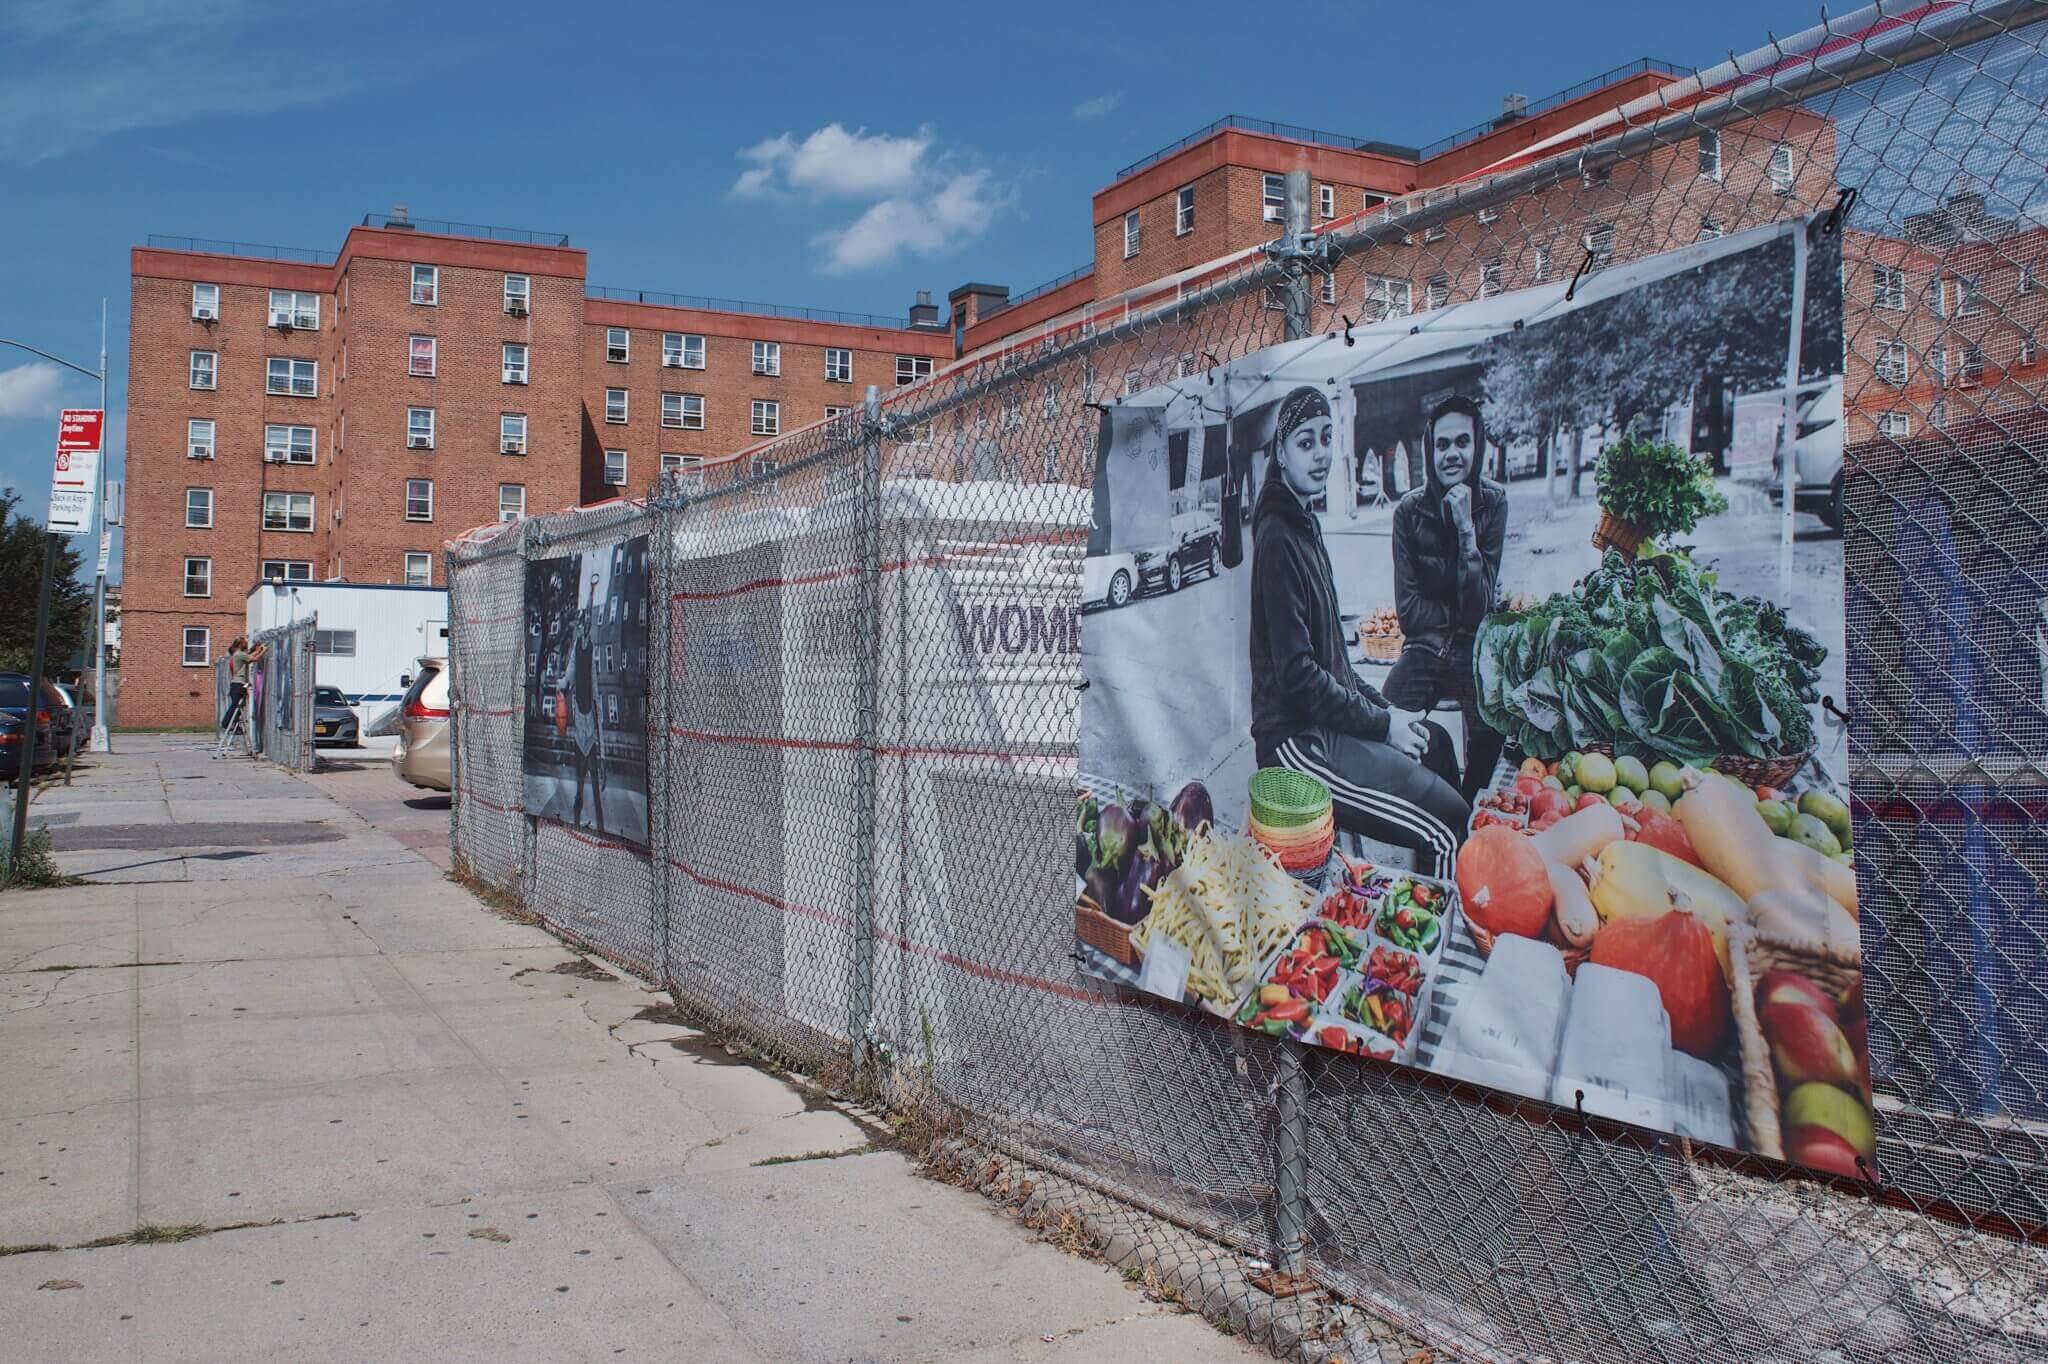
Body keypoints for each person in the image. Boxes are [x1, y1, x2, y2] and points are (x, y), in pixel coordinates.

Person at [1250, 386, 1469, 878]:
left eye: (1327, 437)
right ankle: (1431, 944)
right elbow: (1300, 679)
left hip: (1328, 724)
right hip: (1295, 744)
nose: (1321, 452)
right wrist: (1381, 726)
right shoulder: (1277, 538)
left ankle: (1421, 906)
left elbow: (1338, 668)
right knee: (1447, 827)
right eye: (1305, 443)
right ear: (1280, 455)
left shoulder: (1305, 523)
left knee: (1434, 742)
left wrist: (1389, 713)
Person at [1385, 395, 1510, 802]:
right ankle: (1445, 803)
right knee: (1384, 720)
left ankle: (1474, 812)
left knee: (1494, 728)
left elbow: (1481, 610)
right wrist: (1455, 617)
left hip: (1476, 648)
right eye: (1442, 445)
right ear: (1430, 450)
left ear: (1477, 446)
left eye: (1462, 442)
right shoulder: (1408, 512)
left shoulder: (1494, 503)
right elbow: (1409, 613)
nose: (1452, 454)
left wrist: (1465, 530)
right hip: (1425, 648)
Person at [569, 574, 607, 833]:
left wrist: (593, 592)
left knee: (592, 773)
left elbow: (590, 619)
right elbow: (571, 672)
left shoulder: (590, 647)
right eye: (583, 625)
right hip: (580, 717)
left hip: (590, 718)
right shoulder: (577, 649)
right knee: (580, 776)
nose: (586, 627)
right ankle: (576, 817)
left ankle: (601, 823)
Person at [220, 635, 266, 729]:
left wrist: (258, 650)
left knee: (240, 705)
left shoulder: (238, 654)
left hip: (239, 684)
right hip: (239, 684)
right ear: (240, 644)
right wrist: (264, 650)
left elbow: (250, 657)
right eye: (245, 643)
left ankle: (235, 725)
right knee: (236, 705)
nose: (246, 645)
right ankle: (226, 723)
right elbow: (254, 659)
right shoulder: (240, 654)